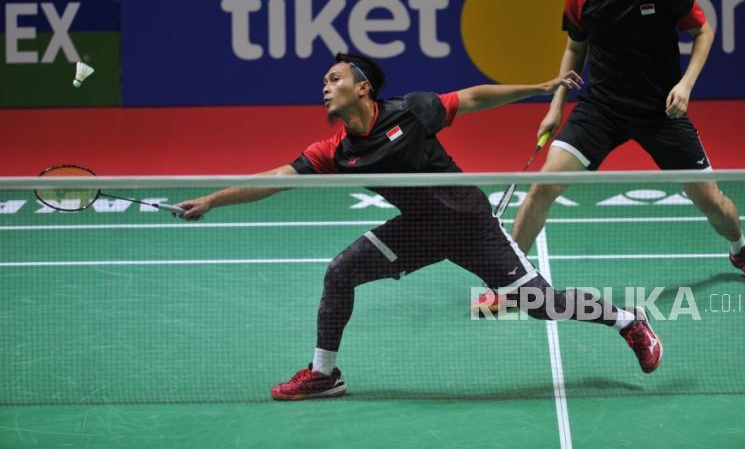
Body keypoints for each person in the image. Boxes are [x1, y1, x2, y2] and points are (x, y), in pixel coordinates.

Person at [178, 52, 663, 401]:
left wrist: (537, 88)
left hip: (470, 225)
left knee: (541, 304)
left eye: (334, 78)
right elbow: (277, 179)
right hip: (418, 230)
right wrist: (212, 201)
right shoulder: (336, 151)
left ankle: (628, 321)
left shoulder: (411, 110)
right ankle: (324, 374)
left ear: (363, 86)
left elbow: (471, 98)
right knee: (340, 271)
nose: (325, 86)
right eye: (323, 81)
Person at [512, 0, 745, 287]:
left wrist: (685, 85)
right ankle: (508, 277)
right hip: (601, 109)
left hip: (659, 112)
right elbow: (576, 47)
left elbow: (703, 31)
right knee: (543, 187)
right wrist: (556, 105)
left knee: (711, 201)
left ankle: (741, 248)